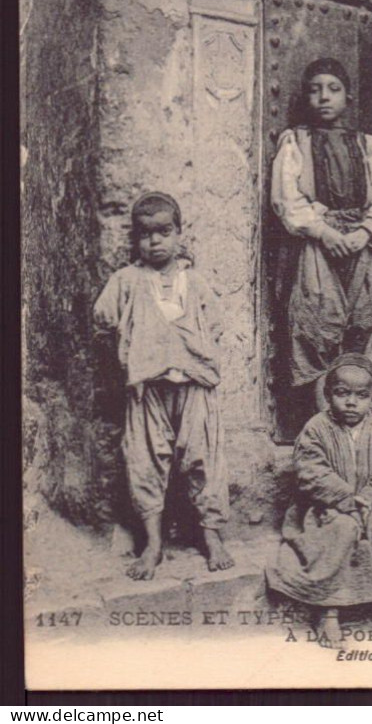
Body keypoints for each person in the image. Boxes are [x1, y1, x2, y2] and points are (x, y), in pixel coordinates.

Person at [93, 191, 234, 581]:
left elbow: (215, 324)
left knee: (204, 459)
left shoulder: (196, 282)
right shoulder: (127, 281)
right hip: (147, 390)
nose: (155, 242)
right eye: (145, 234)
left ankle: (212, 537)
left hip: (194, 388)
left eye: (164, 232)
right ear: (135, 239)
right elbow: (103, 319)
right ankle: (152, 544)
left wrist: (187, 351)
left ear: (179, 233)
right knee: (144, 460)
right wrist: (136, 351)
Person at [271, 58, 372, 411]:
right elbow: (287, 197)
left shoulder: (367, 145)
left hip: (359, 247)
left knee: (363, 325)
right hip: (317, 249)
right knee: (317, 329)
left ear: (348, 97)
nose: (324, 97)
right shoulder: (295, 142)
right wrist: (323, 232)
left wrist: (366, 233)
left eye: (333, 89)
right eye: (314, 90)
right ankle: (323, 425)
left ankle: (361, 428)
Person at [266, 354, 372, 648]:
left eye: (361, 396)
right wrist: (346, 498)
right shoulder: (316, 428)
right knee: (342, 529)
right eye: (342, 393)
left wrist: (369, 497)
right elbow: (311, 471)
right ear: (327, 394)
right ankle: (328, 609)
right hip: (326, 508)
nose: (351, 402)